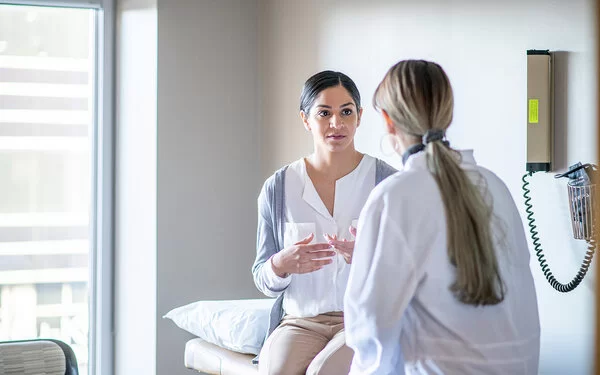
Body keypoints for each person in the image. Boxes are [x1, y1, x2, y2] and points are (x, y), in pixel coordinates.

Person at [344, 60, 541, 374]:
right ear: (447, 114)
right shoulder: (494, 186)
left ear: (387, 121)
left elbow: (370, 332)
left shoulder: (395, 196)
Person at [252, 70, 396, 375]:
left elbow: (409, 271)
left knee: (322, 371)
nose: (336, 123)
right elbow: (262, 277)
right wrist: (280, 264)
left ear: (359, 116)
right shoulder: (277, 189)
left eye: (346, 112)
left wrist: (370, 259)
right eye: (324, 113)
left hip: (362, 318)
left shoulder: (386, 183)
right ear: (305, 119)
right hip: (299, 322)